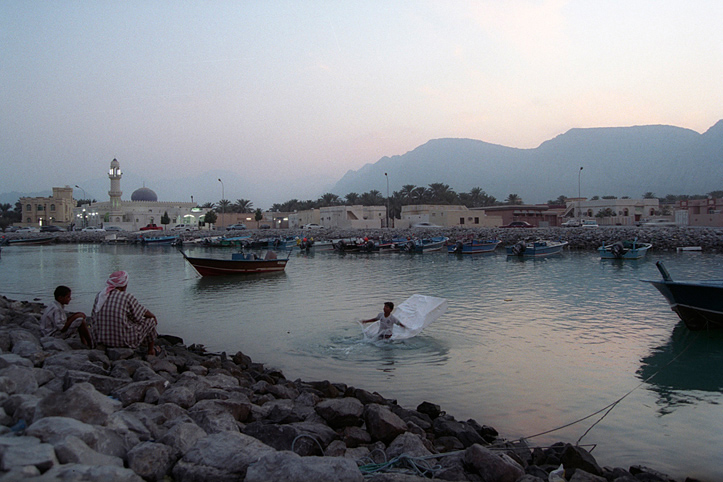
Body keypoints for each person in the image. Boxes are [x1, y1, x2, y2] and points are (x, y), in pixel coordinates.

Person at [90, 271, 161, 356]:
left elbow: (93, 317)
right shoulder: (126, 297)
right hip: (122, 341)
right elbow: (142, 313)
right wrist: (153, 316)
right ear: (124, 285)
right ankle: (150, 351)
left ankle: (145, 344)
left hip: (100, 338)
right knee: (150, 321)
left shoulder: (100, 295)